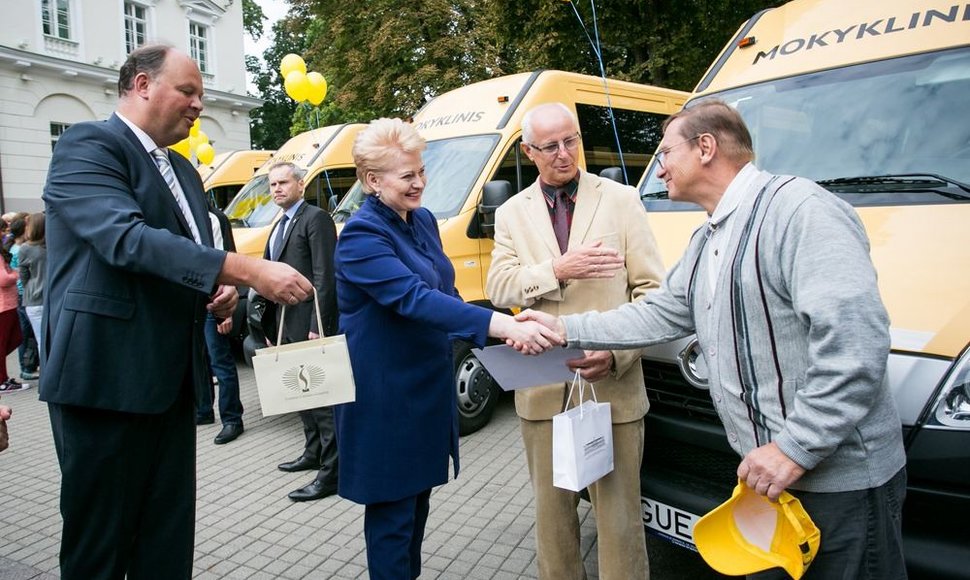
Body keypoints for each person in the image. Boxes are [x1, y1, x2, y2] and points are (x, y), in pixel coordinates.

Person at [519, 100, 908, 579]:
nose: (658, 167)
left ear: (705, 148)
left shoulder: (799, 211)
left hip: (837, 485)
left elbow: (856, 347)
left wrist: (794, 447)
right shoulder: (709, 238)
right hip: (769, 482)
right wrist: (565, 329)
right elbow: (660, 312)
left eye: (665, 153)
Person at [41, 44, 313, 580]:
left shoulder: (186, 171)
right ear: (142, 85)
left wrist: (216, 293)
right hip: (105, 381)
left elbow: (183, 260)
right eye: (187, 92)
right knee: (99, 548)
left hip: (171, 384)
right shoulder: (87, 145)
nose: (198, 105)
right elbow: (127, 241)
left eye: (201, 96)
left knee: (165, 544)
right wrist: (248, 272)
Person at [334, 117, 561, 579]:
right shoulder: (360, 236)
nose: (420, 183)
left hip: (424, 391)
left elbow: (446, 294)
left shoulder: (421, 221)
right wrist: (499, 325)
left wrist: (508, 330)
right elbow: (413, 299)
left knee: (416, 508)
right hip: (386, 399)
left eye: (421, 170)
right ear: (372, 181)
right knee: (393, 518)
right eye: (407, 175)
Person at [485, 102, 664, 580]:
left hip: (613, 388)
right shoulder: (510, 213)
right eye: (550, 146)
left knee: (620, 521)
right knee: (553, 522)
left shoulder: (622, 199)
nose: (564, 154)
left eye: (572, 141)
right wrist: (558, 271)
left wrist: (619, 352)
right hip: (543, 390)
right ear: (528, 151)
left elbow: (653, 294)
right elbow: (498, 287)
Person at [262, 161, 342, 502]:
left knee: (323, 401)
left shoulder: (316, 218)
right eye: (272, 184)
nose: (277, 189)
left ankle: (333, 474)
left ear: (300, 184)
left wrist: (317, 326)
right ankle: (313, 454)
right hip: (285, 323)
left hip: (311, 324)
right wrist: (270, 328)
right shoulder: (277, 224)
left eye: (283, 182)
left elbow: (326, 275)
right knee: (300, 396)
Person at [196, 206, 245, 444]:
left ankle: (232, 419)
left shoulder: (214, 217)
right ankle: (204, 410)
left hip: (215, 300)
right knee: (198, 361)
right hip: (191, 301)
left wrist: (227, 313)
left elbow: (228, 259)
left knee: (220, 361)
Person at [8, 215, 39, 381]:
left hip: (22, 293)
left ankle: (28, 365)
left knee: (26, 333)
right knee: (26, 333)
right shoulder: (21, 250)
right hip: (23, 294)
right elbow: (21, 274)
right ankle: (26, 366)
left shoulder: (16, 248)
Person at [18, 212, 46, 357]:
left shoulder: (25, 248)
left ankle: (48, 375)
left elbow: (23, 275)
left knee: (41, 340)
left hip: (34, 298)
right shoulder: (53, 248)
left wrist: (29, 287)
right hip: (52, 297)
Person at [0, 242, 25, 392]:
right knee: (4, 343)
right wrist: (16, 274)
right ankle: (2, 380)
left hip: (8, 304)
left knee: (15, 338)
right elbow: (3, 279)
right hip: (4, 306)